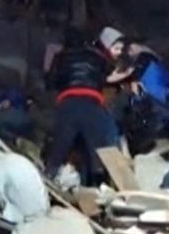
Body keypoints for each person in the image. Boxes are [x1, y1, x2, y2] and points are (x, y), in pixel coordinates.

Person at [45, 28, 118, 185]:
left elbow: (50, 82)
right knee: (95, 151)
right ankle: (99, 189)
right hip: (92, 103)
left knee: (59, 147)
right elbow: (107, 77)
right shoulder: (97, 57)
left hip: (68, 102)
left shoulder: (60, 57)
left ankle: (48, 180)